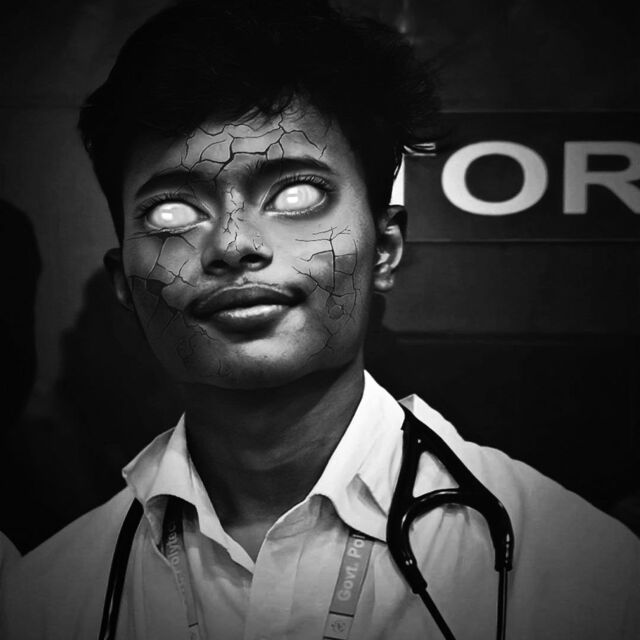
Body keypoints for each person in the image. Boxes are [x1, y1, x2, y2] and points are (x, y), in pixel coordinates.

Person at [1, 1, 638, 638]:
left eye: (296, 194)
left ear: (385, 248)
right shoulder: (45, 601)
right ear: (124, 283)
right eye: (172, 212)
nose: (234, 244)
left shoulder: (581, 572)